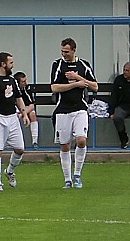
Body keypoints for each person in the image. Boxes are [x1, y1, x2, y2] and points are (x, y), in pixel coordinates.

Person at [50, 37, 97, 189]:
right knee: (65, 145)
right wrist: (75, 85)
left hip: (80, 108)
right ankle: (67, 179)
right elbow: (54, 88)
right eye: (62, 51)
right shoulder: (57, 65)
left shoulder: (84, 65)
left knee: (81, 140)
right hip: (63, 110)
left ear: (74, 50)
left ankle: (77, 175)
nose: (64, 54)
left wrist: (78, 78)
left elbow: (95, 86)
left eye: (66, 51)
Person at [0, 52, 29, 192]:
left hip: (12, 118)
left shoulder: (12, 80)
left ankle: (9, 171)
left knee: (20, 149)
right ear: (3, 64)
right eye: (11, 63)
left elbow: (18, 97)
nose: (12, 65)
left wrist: (24, 114)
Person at [15, 71, 41, 147]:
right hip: (13, 108)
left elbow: (32, 105)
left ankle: (35, 141)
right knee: (13, 116)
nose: (26, 83)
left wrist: (23, 114)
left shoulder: (26, 88)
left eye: (26, 80)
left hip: (24, 108)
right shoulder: (12, 88)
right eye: (23, 81)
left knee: (32, 114)